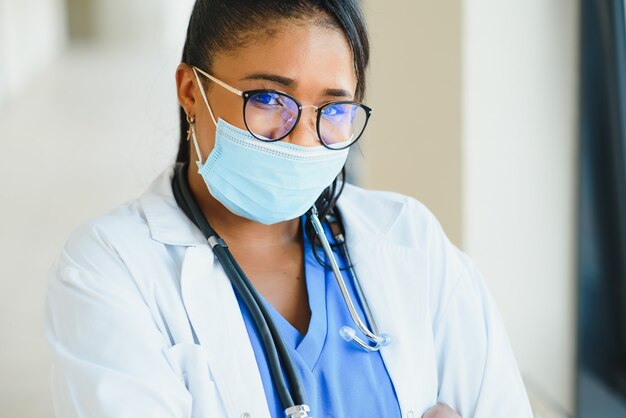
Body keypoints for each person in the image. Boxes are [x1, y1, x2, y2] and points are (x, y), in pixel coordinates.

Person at [44, 1, 534, 417]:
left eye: (333, 108)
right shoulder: (108, 268)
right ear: (192, 92)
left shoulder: (411, 239)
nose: (302, 139)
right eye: (271, 99)